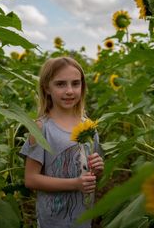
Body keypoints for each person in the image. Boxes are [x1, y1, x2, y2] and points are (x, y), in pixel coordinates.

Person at [20, 56, 104, 228]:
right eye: (60, 84)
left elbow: (92, 177)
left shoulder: (88, 127)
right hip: (53, 220)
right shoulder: (41, 128)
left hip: (83, 219)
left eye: (75, 83)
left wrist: (98, 169)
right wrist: (75, 184)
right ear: (46, 88)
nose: (69, 91)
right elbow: (31, 179)